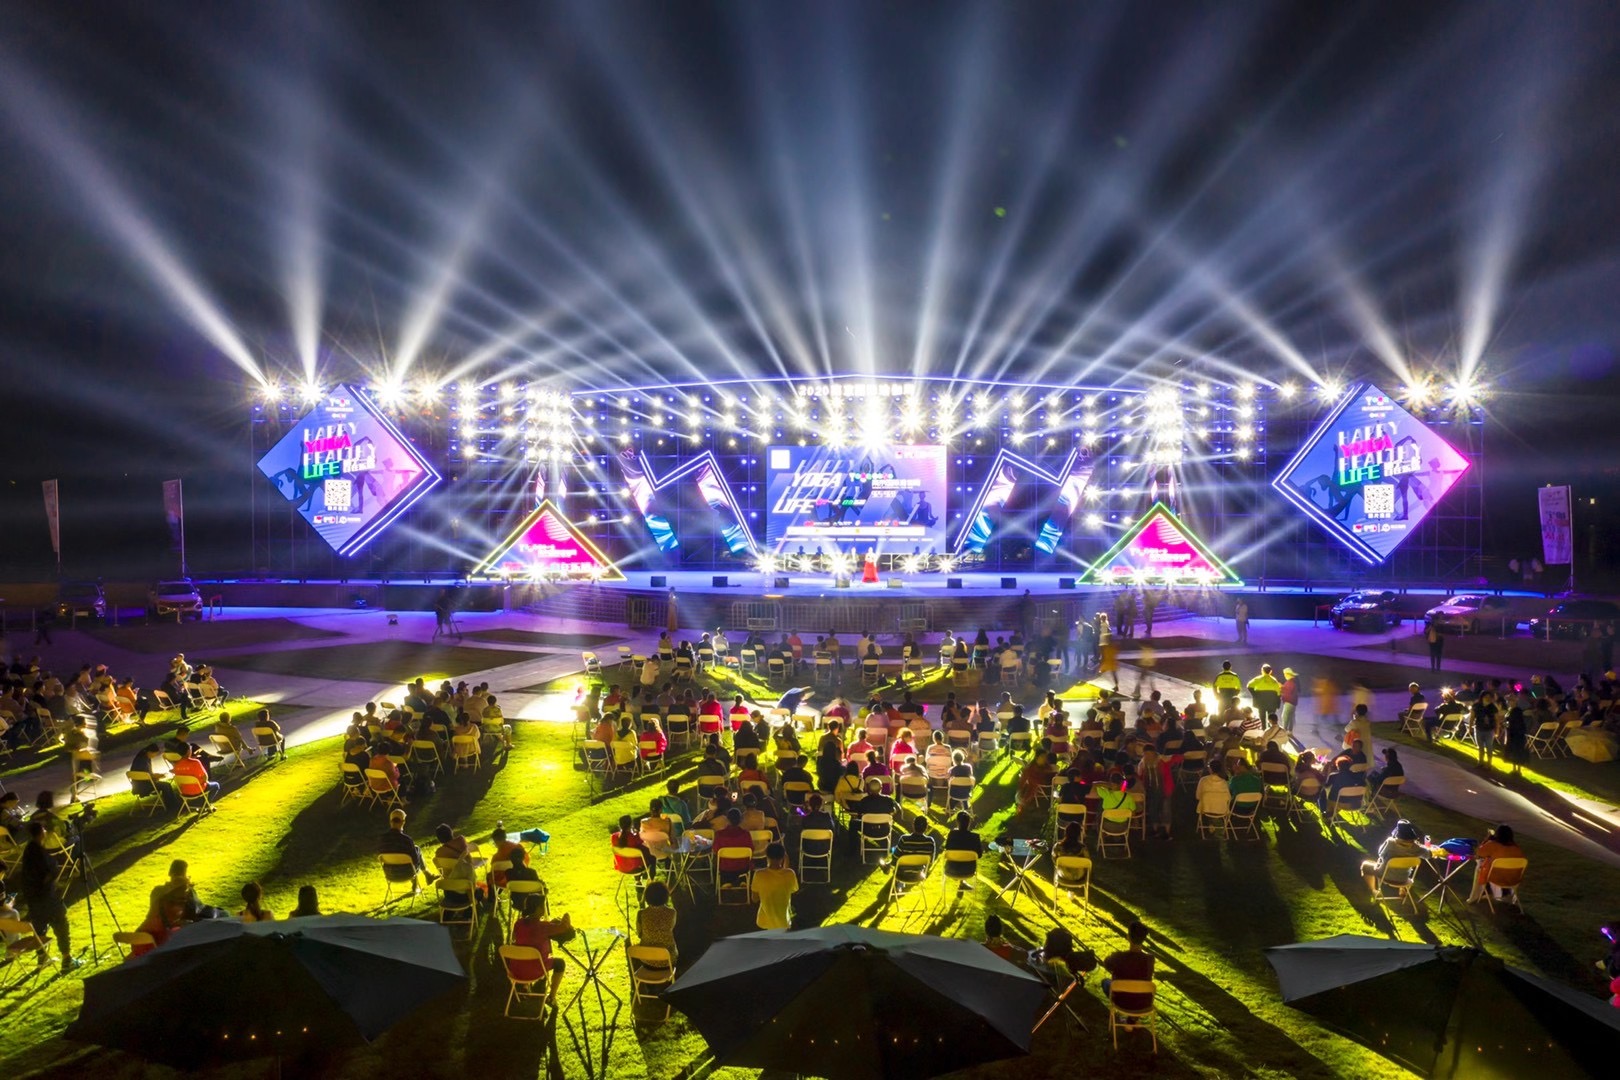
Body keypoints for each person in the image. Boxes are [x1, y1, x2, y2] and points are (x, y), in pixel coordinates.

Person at [16, 820, 80, 971]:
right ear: (40, 833)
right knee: (61, 924)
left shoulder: (29, 851)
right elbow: (48, 873)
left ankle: (42, 957)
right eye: (43, 829)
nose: (45, 831)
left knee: (39, 927)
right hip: (45, 898)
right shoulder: (38, 852)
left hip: (33, 900)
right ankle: (67, 959)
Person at [509, 901, 573, 1001]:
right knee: (560, 963)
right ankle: (551, 997)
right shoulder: (543, 927)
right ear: (538, 909)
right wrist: (566, 915)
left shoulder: (519, 923)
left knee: (526, 951)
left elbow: (514, 938)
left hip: (517, 970)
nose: (545, 908)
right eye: (543, 906)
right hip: (536, 969)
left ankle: (525, 985)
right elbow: (564, 927)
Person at [1101, 920, 1155, 1010]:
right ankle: (1133, 1016)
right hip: (1143, 1003)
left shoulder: (1118, 957)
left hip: (1120, 1001)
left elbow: (1107, 963)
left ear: (1128, 937)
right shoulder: (1149, 960)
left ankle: (1128, 1012)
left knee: (1105, 982)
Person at [1361, 819, 1423, 893]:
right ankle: (1402, 889)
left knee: (1365, 866)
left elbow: (1380, 853)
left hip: (1386, 876)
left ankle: (1374, 891)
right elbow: (1428, 854)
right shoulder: (1416, 847)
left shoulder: (1390, 842)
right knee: (1403, 865)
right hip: (1404, 879)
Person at [379, 808, 433, 892]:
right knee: (416, 850)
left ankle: (427, 876)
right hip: (407, 874)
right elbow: (415, 861)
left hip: (390, 874)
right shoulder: (406, 840)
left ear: (390, 822)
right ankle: (425, 876)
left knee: (415, 850)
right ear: (403, 822)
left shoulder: (382, 839)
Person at [1468, 825, 1525, 904]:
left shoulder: (1493, 845)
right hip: (1514, 880)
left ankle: (1475, 896)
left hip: (1496, 879)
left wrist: (1488, 839)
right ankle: (1498, 893)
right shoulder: (1517, 849)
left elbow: (1479, 853)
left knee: (1479, 866)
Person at [752, 842, 799, 929]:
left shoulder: (759, 874)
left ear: (767, 856)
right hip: (784, 921)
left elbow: (755, 899)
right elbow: (793, 889)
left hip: (764, 921)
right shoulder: (790, 874)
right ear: (783, 857)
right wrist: (786, 865)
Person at [636, 880, 677, 966]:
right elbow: (671, 928)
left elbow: (639, 934)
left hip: (646, 959)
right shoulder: (672, 912)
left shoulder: (641, 914)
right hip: (668, 960)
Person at [942, 811, 982, 890]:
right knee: (963, 860)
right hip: (969, 871)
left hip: (950, 870)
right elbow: (979, 855)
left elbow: (947, 849)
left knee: (958, 858)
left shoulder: (952, 835)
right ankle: (962, 883)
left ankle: (962, 883)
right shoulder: (975, 837)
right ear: (969, 822)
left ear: (957, 822)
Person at [1503, 706, 1529, 776]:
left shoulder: (1512, 722)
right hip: (1520, 741)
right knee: (1519, 754)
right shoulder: (1522, 722)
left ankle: (1514, 769)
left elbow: (1508, 727)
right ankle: (1519, 770)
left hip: (1513, 740)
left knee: (1513, 754)